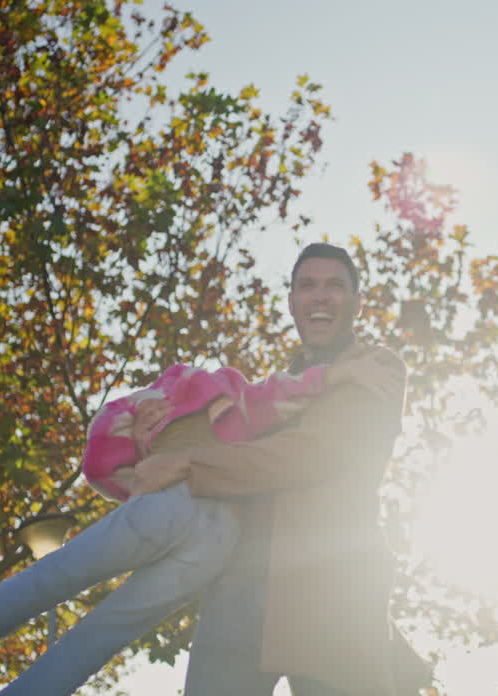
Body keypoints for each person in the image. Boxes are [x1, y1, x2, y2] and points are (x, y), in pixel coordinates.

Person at [0, 321, 350, 696]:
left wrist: (147, 440)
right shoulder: (284, 421)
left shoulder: (201, 392)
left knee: (44, 581)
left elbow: (105, 459)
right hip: (222, 544)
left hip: (179, 507)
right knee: (104, 634)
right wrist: (341, 378)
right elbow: (293, 395)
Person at [131, 242, 431, 696]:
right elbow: (217, 446)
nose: (320, 295)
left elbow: (308, 454)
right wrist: (152, 433)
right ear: (292, 303)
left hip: (334, 594)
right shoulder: (275, 392)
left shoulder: (377, 368)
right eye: (307, 285)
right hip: (238, 590)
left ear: (357, 302)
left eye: (335, 285)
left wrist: (185, 463)